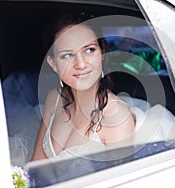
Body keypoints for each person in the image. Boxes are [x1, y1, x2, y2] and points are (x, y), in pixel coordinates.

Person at [31, 13, 135, 161]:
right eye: (67, 55)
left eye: (89, 50)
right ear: (53, 63)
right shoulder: (54, 99)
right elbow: (36, 164)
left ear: (103, 54)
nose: (80, 64)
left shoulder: (116, 116)